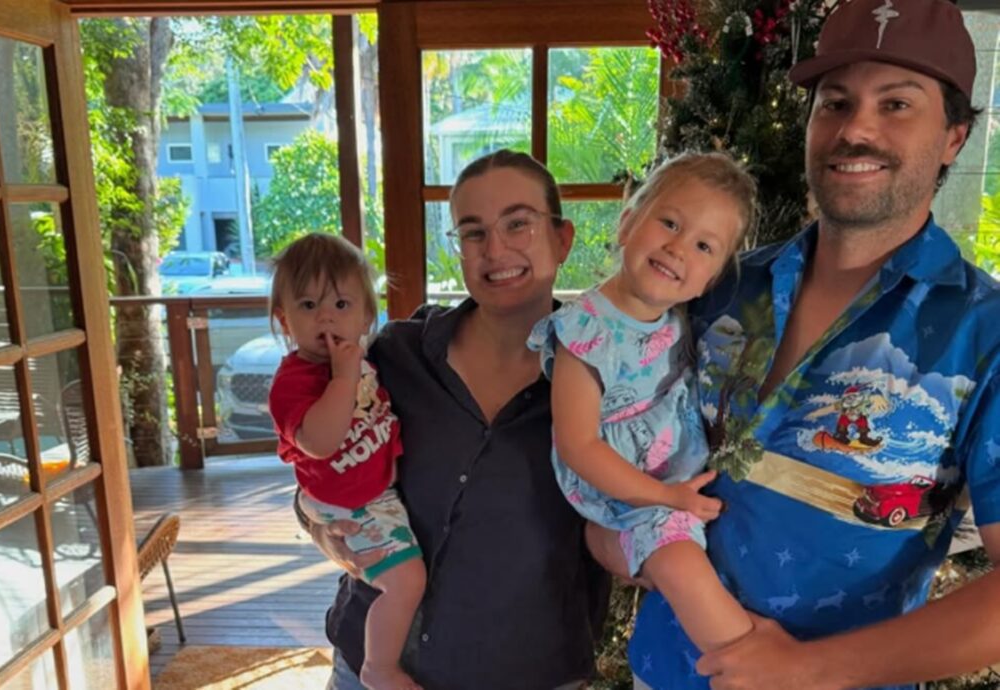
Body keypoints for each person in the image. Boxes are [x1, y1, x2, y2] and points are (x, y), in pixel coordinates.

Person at [588, 1, 1000, 688]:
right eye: (834, 103)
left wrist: (807, 669)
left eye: (896, 104)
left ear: (954, 136)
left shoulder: (983, 331)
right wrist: (620, 536)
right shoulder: (717, 285)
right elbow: (613, 417)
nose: (855, 129)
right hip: (663, 671)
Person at [299, 150, 611, 690]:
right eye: (473, 232)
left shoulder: (610, 377)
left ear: (562, 239)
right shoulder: (396, 355)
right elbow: (315, 464)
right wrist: (320, 526)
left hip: (530, 672)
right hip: (368, 669)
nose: (496, 250)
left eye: (518, 224)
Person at [530, 151, 759, 654]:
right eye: (669, 223)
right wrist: (665, 498)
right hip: (627, 493)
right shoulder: (585, 329)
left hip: (677, 480)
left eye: (703, 245)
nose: (677, 248)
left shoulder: (679, 316)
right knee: (678, 562)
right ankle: (750, 664)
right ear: (628, 222)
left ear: (710, 279)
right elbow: (577, 446)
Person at [267, 234, 425, 690]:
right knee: (406, 582)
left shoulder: (365, 359)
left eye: (341, 304)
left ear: (367, 316)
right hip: (353, 503)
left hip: (366, 491)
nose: (326, 317)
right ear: (285, 320)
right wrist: (342, 379)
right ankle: (379, 666)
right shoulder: (295, 382)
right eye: (308, 305)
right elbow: (319, 442)